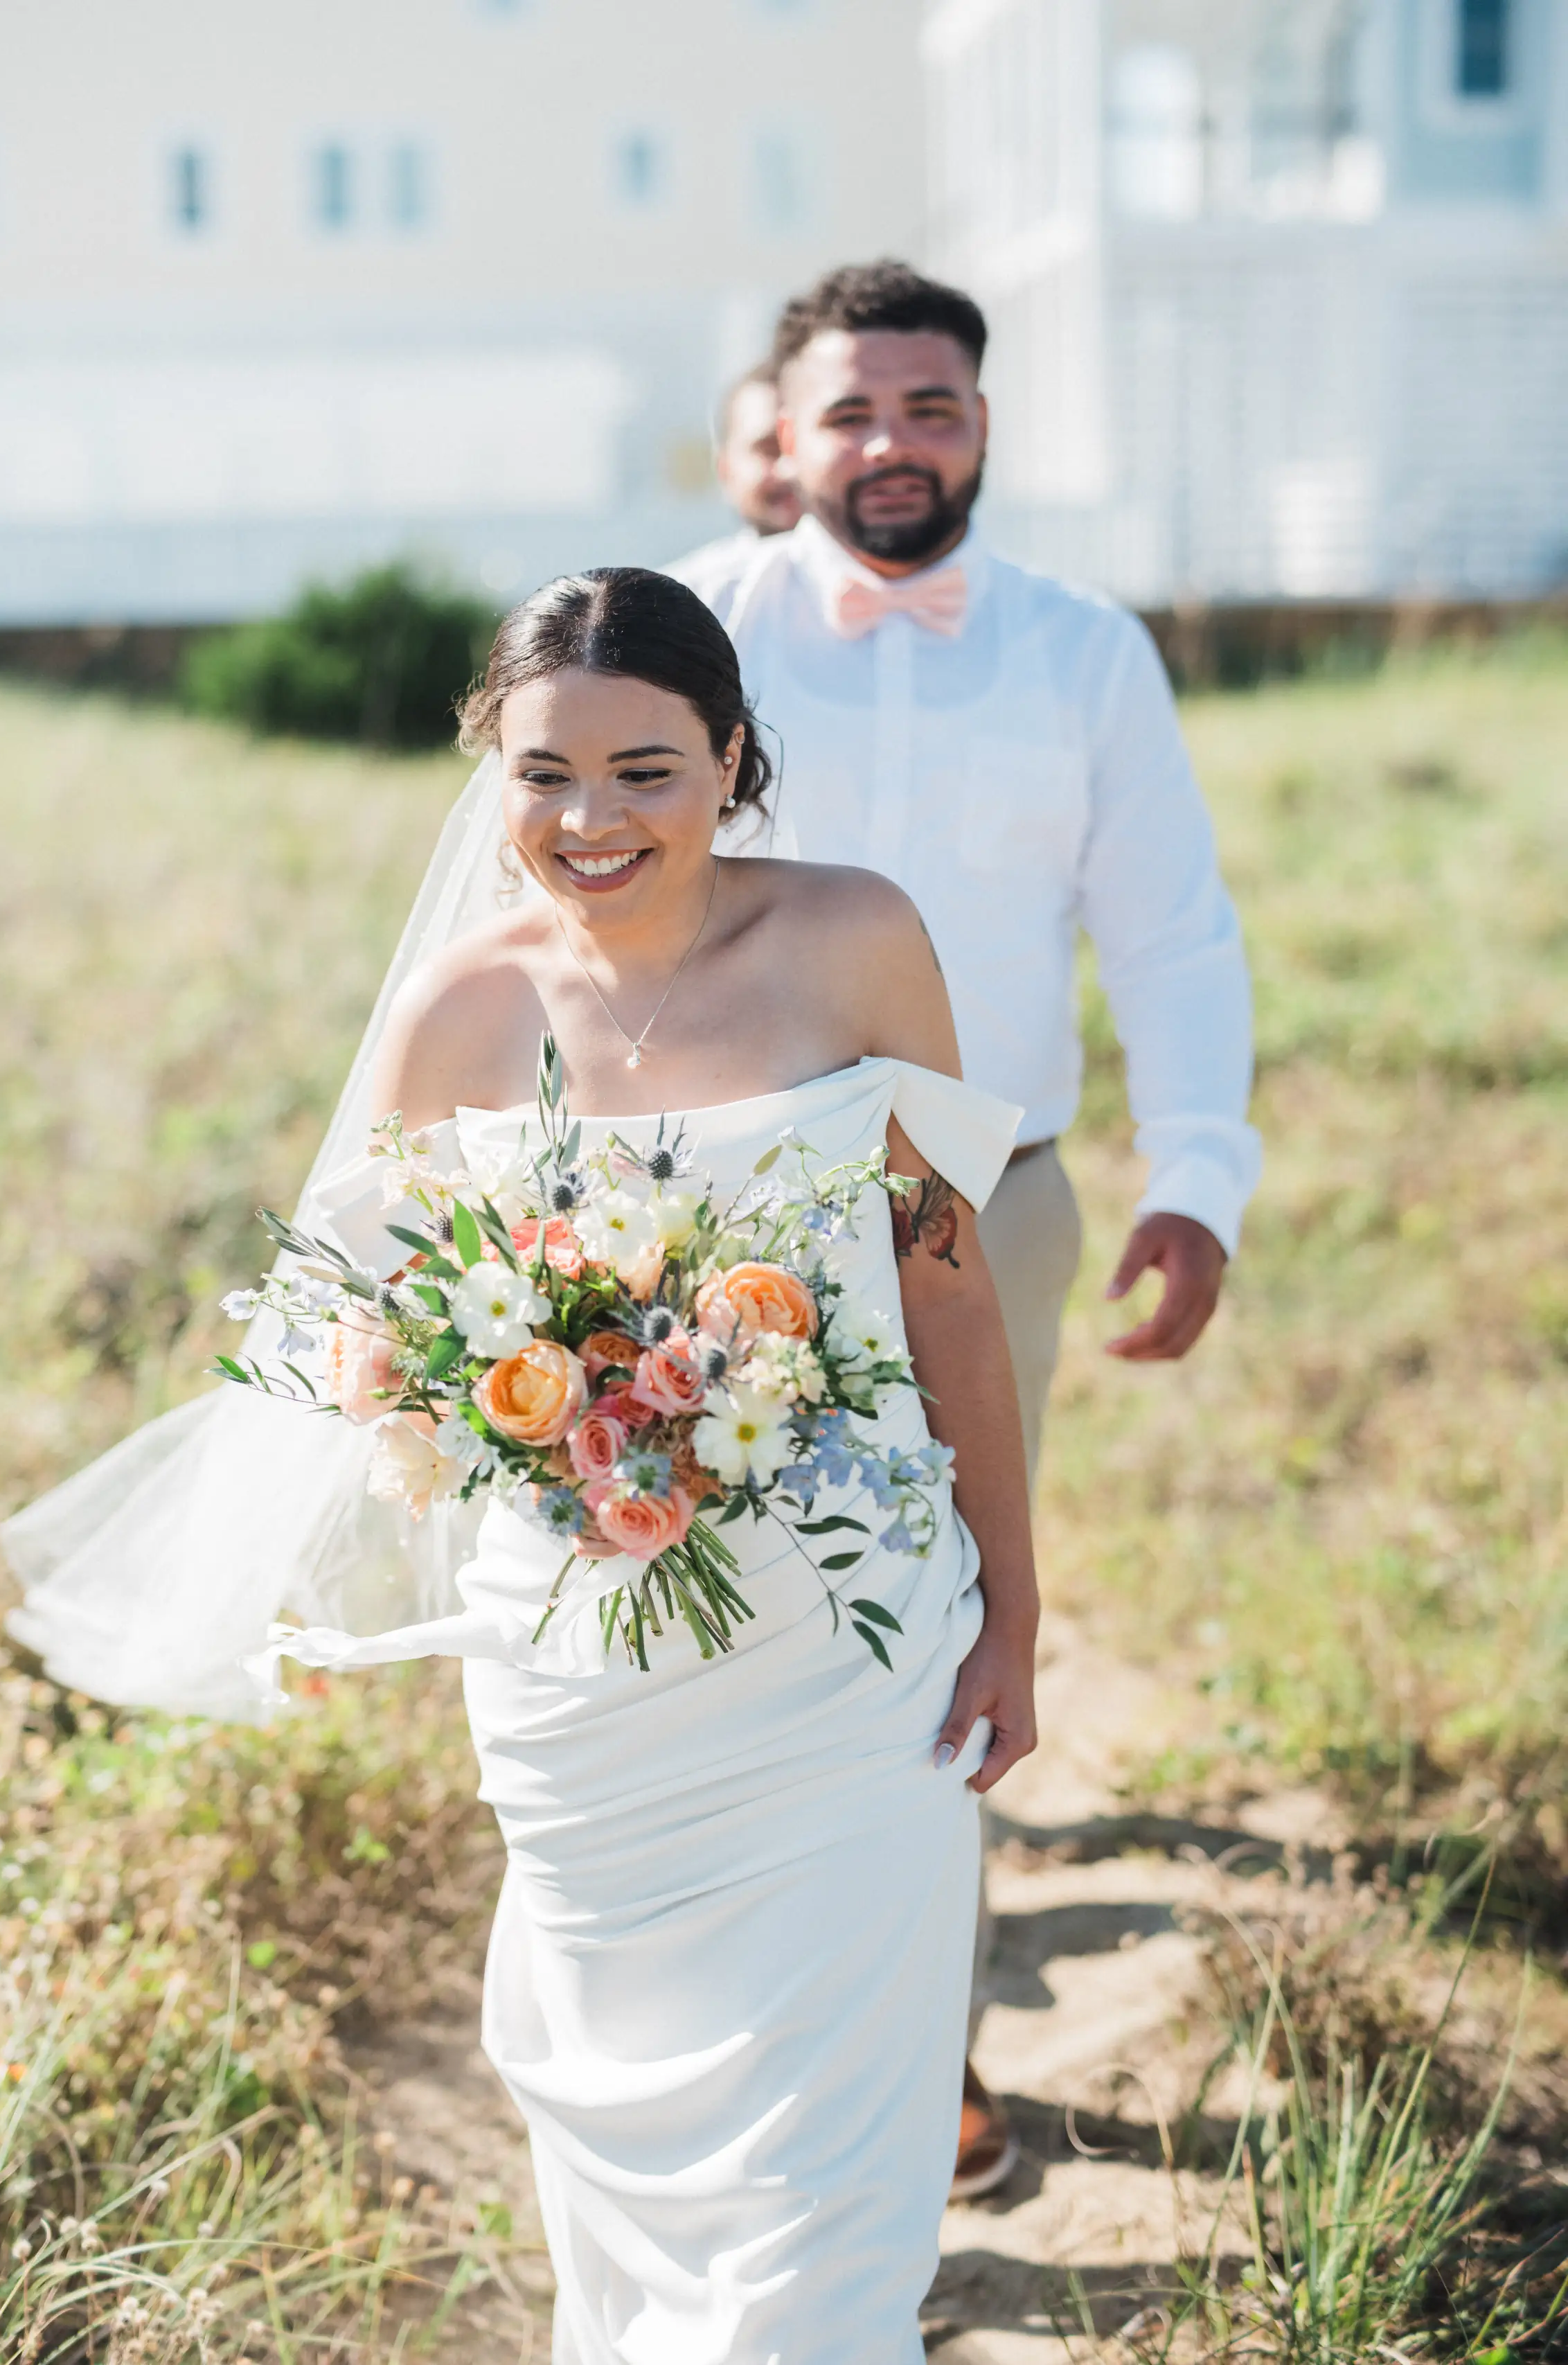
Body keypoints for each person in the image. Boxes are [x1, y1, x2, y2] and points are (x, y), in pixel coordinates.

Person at [6, 566, 1040, 2364]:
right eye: (545, 771)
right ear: (490, 770)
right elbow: (364, 1339)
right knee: (629, 2178)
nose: (591, 817)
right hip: (584, 1688)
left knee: (820, 2214)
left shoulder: (860, 937)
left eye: (646, 767)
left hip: (851, 1657)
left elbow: (945, 1280)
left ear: (733, 755)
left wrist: (1013, 1609)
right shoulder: (458, 1012)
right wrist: (467, 1395)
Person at [670, 259, 1260, 2200]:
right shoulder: (700, 627)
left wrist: (1197, 1173)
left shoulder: (1088, 652)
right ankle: (752, 2028)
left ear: (984, 422)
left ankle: (931, 2052)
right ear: (792, 430)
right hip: (734, 1216)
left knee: (935, 1617)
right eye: (853, 411)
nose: (893, 444)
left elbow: (1171, 928)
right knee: (742, 1625)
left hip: (986, 1200)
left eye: (929, 407)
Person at [667, 357, 802, 608]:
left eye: (804, 446)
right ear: (726, 469)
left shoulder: (895, 593)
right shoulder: (677, 605)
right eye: (770, 449)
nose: (790, 470)